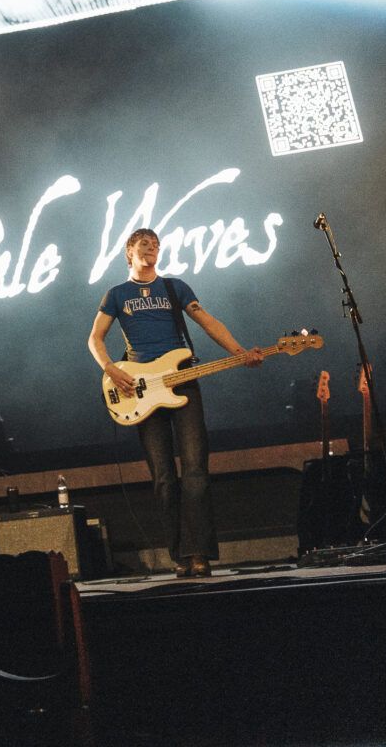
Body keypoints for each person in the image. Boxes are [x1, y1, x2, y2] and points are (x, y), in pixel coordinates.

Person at [88, 227, 263, 578]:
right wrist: (110, 368)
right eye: (143, 244)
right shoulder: (117, 294)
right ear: (129, 252)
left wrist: (239, 352)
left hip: (183, 380)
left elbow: (207, 321)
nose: (151, 247)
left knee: (196, 471)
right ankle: (179, 555)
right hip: (140, 388)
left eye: (155, 244)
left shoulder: (175, 287)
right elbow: (95, 337)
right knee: (164, 478)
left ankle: (199, 552)